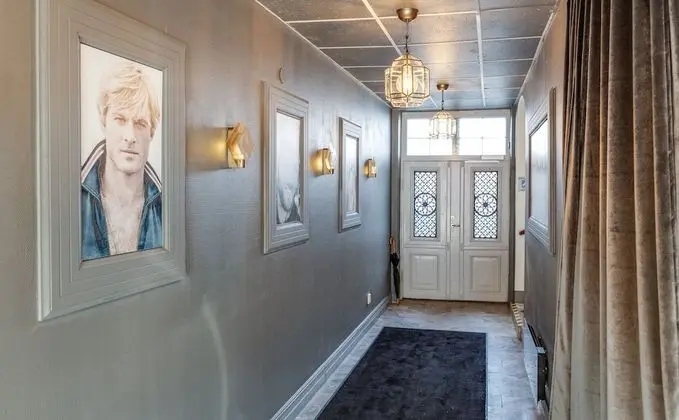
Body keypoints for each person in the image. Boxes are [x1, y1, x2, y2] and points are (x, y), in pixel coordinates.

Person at [80, 61, 162, 261]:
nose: (130, 136)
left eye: (140, 123)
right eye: (120, 119)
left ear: (151, 132)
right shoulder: (73, 196)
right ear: (103, 121)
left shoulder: (164, 204)